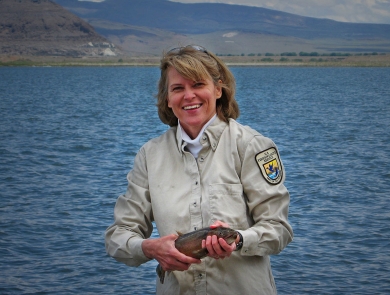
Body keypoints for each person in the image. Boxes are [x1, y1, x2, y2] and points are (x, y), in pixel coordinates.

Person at [105, 45, 293, 294]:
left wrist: (238, 240)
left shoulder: (253, 147)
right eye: (178, 88)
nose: (189, 96)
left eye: (198, 85)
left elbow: (279, 230)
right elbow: (118, 236)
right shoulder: (149, 156)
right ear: (167, 99)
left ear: (218, 89)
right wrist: (149, 248)